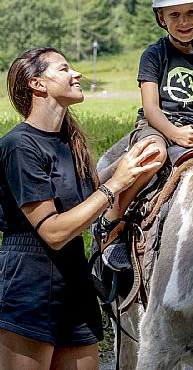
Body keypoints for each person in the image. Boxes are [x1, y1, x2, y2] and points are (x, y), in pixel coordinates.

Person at [0, 46, 161, 370]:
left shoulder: (70, 142)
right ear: (37, 84)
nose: (77, 74)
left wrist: (131, 162)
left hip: (74, 281)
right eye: (64, 69)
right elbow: (54, 232)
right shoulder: (19, 145)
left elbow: (86, 199)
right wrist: (115, 184)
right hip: (29, 284)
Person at [101, 0, 193, 271]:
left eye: (191, 13)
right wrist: (175, 134)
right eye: (174, 15)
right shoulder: (154, 55)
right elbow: (152, 108)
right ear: (161, 18)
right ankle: (113, 220)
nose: (184, 22)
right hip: (157, 127)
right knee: (154, 153)